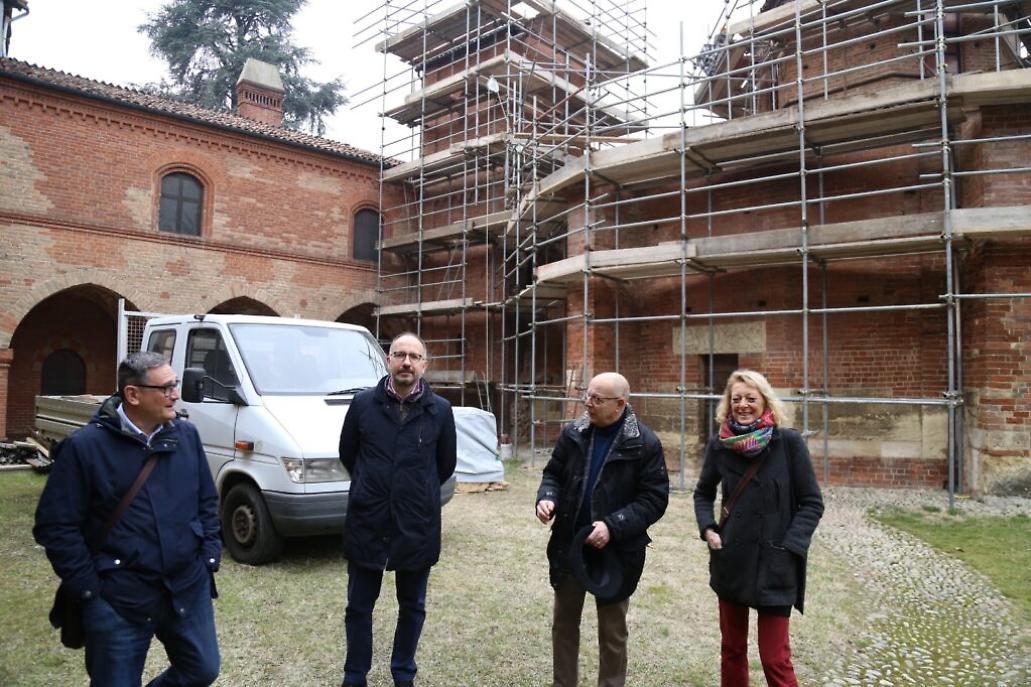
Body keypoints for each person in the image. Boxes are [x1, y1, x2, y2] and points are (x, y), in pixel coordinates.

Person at [34, 351, 221, 687]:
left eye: (174, 385)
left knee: (202, 669)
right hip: (119, 599)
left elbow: (206, 500)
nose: (175, 395)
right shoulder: (85, 448)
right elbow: (55, 526)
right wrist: (90, 589)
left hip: (185, 587)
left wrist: (208, 555)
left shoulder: (186, 436)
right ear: (133, 394)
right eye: (165, 388)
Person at [338, 332, 457, 687]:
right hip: (368, 519)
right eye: (399, 355)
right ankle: (354, 674)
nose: (406, 362)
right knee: (359, 606)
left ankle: (403, 672)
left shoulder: (440, 411)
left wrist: (412, 492)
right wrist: (371, 487)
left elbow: (445, 465)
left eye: (414, 356)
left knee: (413, 606)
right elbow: (349, 453)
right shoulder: (363, 405)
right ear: (388, 360)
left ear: (424, 364)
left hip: (416, 523)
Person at [536, 372, 669, 687]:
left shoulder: (645, 443)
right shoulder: (574, 433)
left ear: (620, 404)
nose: (588, 402)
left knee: (612, 633)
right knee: (564, 625)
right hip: (570, 545)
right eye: (587, 394)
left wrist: (613, 526)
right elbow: (552, 473)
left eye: (597, 398)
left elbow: (654, 499)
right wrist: (547, 497)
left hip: (616, 554)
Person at [693, 369, 824, 687]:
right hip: (732, 560)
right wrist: (708, 528)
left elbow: (812, 503)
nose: (743, 404)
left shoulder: (788, 443)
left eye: (750, 398)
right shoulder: (720, 445)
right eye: (736, 398)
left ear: (765, 401)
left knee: (775, 659)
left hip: (776, 563)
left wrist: (791, 546)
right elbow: (703, 493)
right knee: (733, 650)